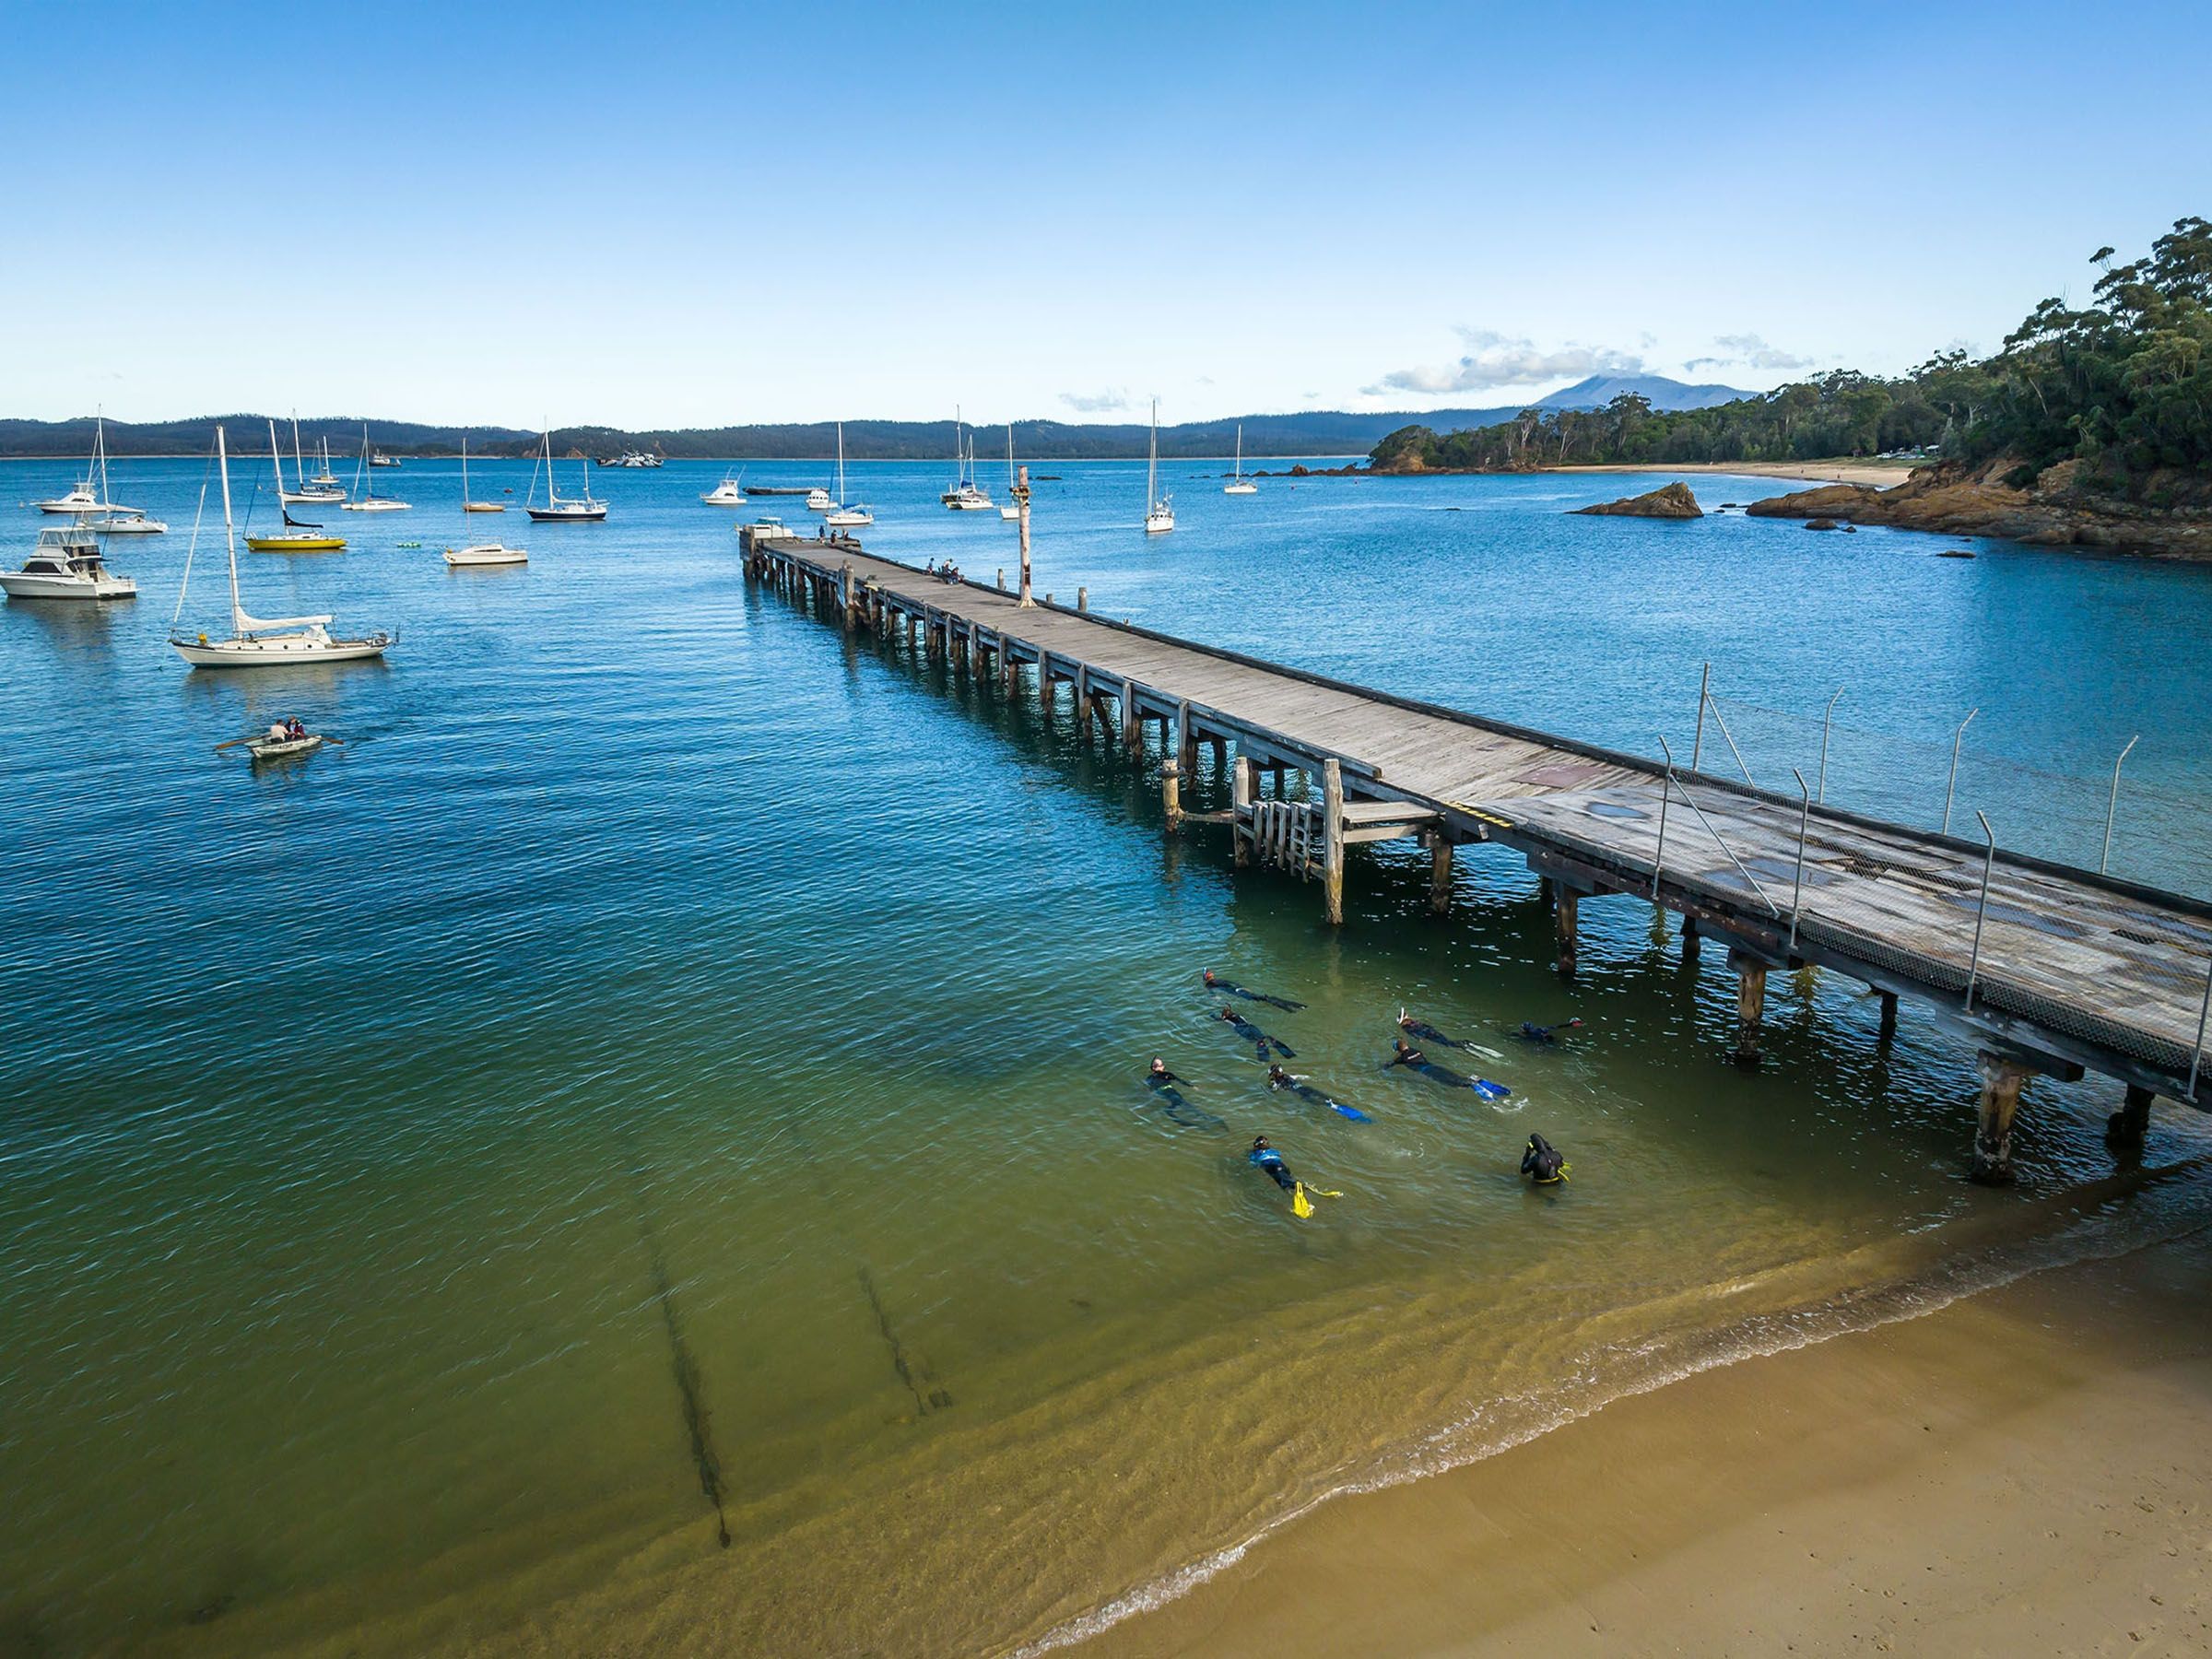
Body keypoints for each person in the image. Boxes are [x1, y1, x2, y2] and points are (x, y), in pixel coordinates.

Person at [1518, 1018, 1583, 1045]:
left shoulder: (1527, 1037)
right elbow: (1557, 1027)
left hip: (1546, 1042)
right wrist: (1570, 1024)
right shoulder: (1541, 1029)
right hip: (1550, 1038)